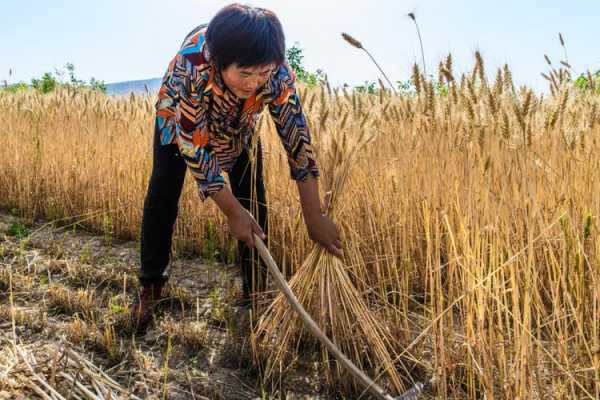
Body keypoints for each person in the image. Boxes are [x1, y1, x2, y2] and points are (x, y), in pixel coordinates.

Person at [131, 3, 343, 330]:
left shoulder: (277, 74)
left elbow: (297, 141)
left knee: (254, 203)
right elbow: (196, 149)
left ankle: (254, 290)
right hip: (179, 124)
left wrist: (313, 215)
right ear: (218, 62)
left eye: (263, 73)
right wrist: (231, 211)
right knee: (162, 196)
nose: (254, 84)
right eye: (244, 74)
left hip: (239, 128)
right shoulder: (192, 65)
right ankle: (152, 284)